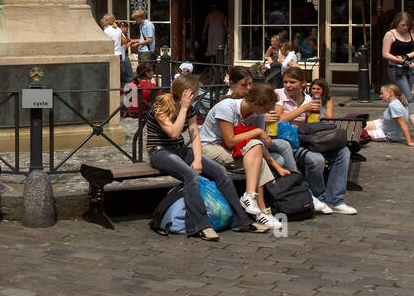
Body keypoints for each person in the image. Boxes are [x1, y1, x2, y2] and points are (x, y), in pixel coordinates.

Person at [146, 74, 266, 239]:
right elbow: (173, 133)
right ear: (186, 93)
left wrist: (197, 159)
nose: (197, 94)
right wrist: (183, 108)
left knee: (220, 172)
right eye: (195, 92)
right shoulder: (159, 107)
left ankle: (242, 220)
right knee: (190, 175)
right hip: (160, 152)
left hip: (179, 149)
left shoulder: (190, 109)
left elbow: (195, 135)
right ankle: (199, 225)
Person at [199, 83, 290, 230]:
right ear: (255, 103)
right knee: (256, 157)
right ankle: (261, 208)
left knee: (256, 153)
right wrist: (258, 132)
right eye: (266, 109)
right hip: (209, 147)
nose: (266, 113)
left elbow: (258, 146)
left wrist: (277, 166)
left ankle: (253, 200)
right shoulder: (227, 107)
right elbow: (230, 140)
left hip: (237, 149)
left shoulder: (257, 114)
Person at [273, 68, 355, 215]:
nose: (288, 85)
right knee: (316, 159)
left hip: (307, 138)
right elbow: (277, 120)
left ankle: (336, 200)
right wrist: (302, 109)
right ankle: (319, 197)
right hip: (289, 141)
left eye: (293, 82)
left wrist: (313, 113)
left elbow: (312, 123)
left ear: (303, 84)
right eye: (285, 82)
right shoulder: (279, 95)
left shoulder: (309, 100)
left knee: (343, 151)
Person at [382, 12, 414, 105]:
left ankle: (398, 116)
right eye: (403, 25)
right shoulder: (390, 34)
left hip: (410, 68)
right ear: (397, 23)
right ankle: (411, 117)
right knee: (407, 97)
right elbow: (385, 54)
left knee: (405, 96)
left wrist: (407, 57)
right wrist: (399, 60)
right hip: (397, 69)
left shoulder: (411, 33)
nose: (405, 28)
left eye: (407, 25)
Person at [102, 13, 133, 87]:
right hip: (119, 55)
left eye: (103, 19)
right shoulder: (118, 29)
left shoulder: (106, 31)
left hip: (111, 55)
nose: (102, 21)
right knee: (119, 76)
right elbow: (124, 41)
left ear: (107, 21)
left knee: (112, 78)